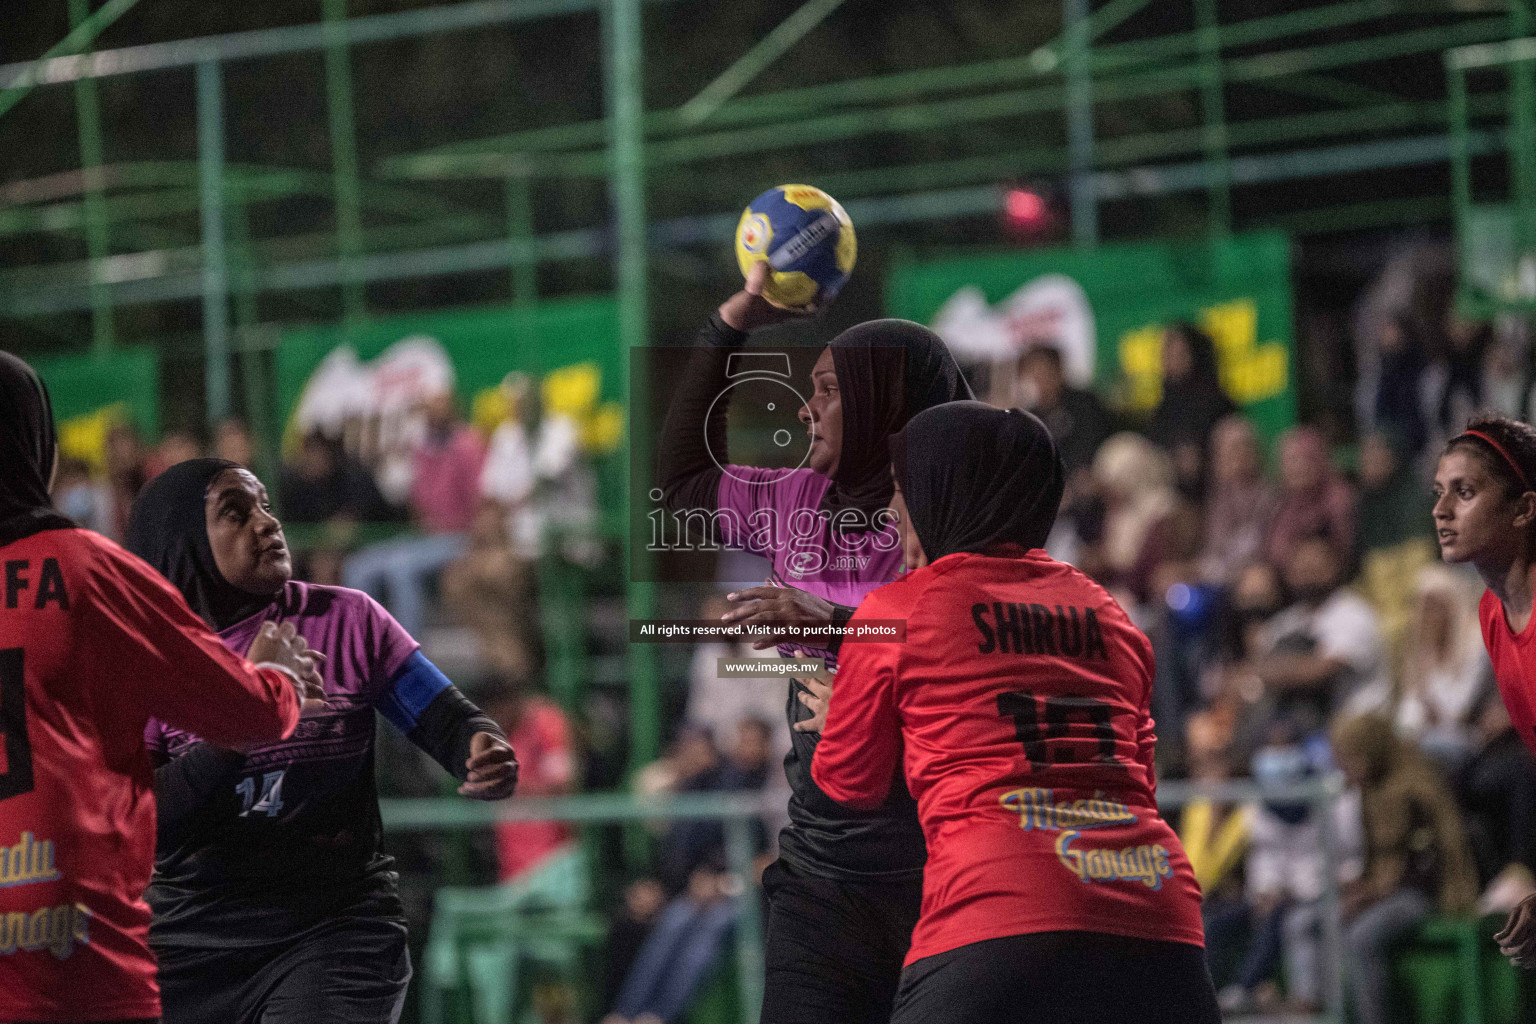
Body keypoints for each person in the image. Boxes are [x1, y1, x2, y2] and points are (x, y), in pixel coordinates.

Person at [812, 402, 1217, 1024]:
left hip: (995, 911)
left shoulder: (899, 610)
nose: (892, 512)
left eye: (903, 490)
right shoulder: (1108, 611)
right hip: (1157, 913)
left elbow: (848, 783)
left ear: (946, 495)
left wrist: (842, 714)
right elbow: (1138, 774)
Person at [655, 261, 972, 1024]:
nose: (806, 411)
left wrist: (833, 628)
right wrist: (729, 326)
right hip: (822, 863)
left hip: (940, 865)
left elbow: (959, 638)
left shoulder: (959, 515)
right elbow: (682, 477)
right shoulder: (795, 499)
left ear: (883, 404)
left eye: (829, 392)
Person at [124, 458, 519, 1024]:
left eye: (265, 504)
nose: (266, 523)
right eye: (236, 514)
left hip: (334, 928)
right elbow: (145, 824)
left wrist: (481, 746)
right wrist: (242, 719)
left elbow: (449, 722)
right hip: (188, 941)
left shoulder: (347, 618)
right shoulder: (146, 663)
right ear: (181, 545)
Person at [0, 352, 323, 1024]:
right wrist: (278, 677)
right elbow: (246, 712)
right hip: (71, 940)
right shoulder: (86, 570)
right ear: (41, 452)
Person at [1430, 412, 1536, 968]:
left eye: (1465, 492)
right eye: (1438, 492)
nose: (1441, 511)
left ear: (1524, 509)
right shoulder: (1493, 613)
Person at [1331, 714, 1477, 1024]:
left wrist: (1376, 893)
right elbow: (1377, 859)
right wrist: (1362, 886)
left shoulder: (1416, 787)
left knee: (1362, 937)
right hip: (1386, 892)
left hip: (1423, 894)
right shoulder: (1372, 791)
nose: (1346, 768)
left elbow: (1426, 865)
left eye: (1351, 758)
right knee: (1314, 919)